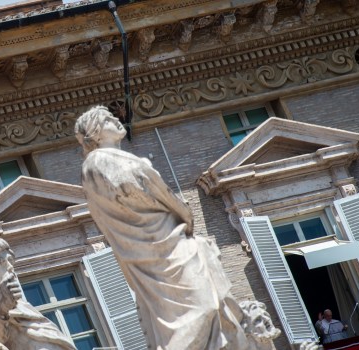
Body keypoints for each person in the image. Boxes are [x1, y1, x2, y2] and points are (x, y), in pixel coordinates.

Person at [75, 106, 249, 350]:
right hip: (156, 247)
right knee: (200, 308)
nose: (116, 118)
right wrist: (178, 208)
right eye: (107, 118)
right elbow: (135, 189)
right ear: (94, 132)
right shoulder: (98, 161)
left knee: (212, 306)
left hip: (166, 239)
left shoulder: (108, 160)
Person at [0, 238, 75, 350]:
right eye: (2, 261)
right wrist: (1, 303)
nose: (11, 267)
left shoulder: (21, 304)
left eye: (11, 261)